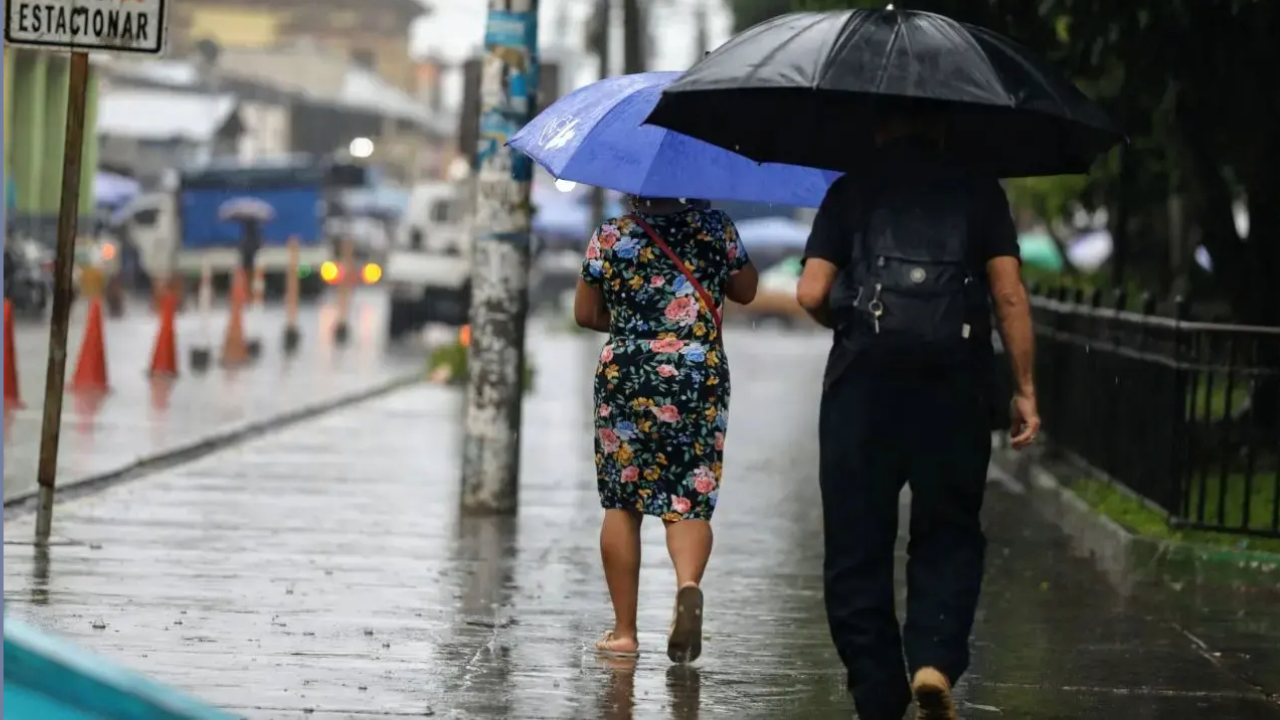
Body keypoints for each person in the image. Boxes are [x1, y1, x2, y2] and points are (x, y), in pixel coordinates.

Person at [795, 104, 1041, 720]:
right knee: (950, 530)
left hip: (863, 389)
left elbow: (811, 292)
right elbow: (1008, 295)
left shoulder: (851, 189)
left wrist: (848, 323)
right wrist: (1025, 388)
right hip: (955, 386)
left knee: (857, 544)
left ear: (877, 125)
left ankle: (878, 694)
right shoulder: (978, 191)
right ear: (943, 124)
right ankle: (933, 660)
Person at [574, 195, 759, 663]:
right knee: (690, 494)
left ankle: (624, 633)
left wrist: (638, 328)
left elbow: (585, 314)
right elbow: (747, 291)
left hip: (628, 373)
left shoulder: (611, 235)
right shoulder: (716, 228)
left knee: (622, 502)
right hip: (698, 372)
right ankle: (688, 586)